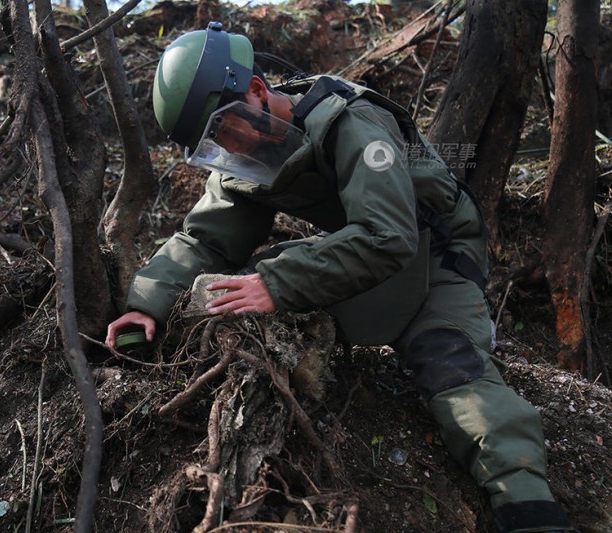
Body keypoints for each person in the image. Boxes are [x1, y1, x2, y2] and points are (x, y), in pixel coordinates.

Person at [105, 22, 573, 533]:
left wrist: (278, 284)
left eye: (225, 128)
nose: (227, 149)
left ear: (257, 91)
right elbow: (207, 241)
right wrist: (145, 303)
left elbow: (388, 235)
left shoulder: (352, 120)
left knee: (449, 362)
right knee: (240, 284)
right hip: (384, 246)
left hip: (439, 252)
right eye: (210, 145)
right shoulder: (244, 154)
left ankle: (531, 509)